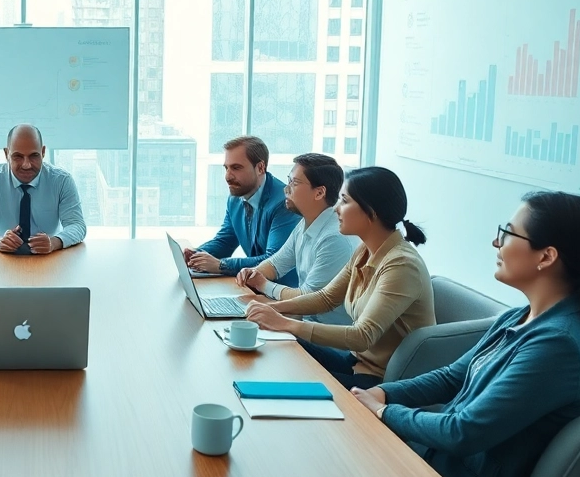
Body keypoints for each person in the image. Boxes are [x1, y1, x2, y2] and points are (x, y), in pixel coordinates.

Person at [351, 192, 580, 477]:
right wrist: (382, 393)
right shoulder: (521, 316)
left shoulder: (560, 346)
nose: (497, 243)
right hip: (437, 468)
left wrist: (384, 413)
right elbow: (452, 376)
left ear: (546, 256)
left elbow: (463, 432)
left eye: (507, 233)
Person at [245, 166, 435, 388]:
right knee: (277, 350)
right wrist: (272, 310)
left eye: (344, 201)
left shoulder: (402, 265)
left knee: (284, 374)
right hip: (356, 363)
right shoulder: (364, 250)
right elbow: (326, 298)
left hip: (381, 381)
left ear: (371, 212)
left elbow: (362, 336)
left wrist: (285, 323)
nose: (336, 208)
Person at [235, 153, 357, 324]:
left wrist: (263, 284)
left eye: (295, 183)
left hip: (327, 339)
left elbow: (308, 297)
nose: (286, 189)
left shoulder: (335, 238)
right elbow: (276, 264)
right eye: (288, 180)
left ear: (319, 193)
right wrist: (254, 273)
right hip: (304, 322)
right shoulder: (305, 223)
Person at [183, 136, 300, 282]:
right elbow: (225, 241)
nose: (228, 176)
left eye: (236, 168)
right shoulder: (235, 199)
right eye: (226, 168)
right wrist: (196, 254)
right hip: (254, 287)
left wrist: (221, 265)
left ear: (260, 168)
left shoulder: (285, 203)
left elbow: (274, 260)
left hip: (283, 294)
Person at [0, 124, 87, 255]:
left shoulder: (61, 181)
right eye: (17, 156)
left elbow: (77, 225)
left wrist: (54, 242)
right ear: (6, 154)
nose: (26, 165)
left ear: (43, 152)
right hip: (1, 258)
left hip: (49, 258)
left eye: (34, 156)